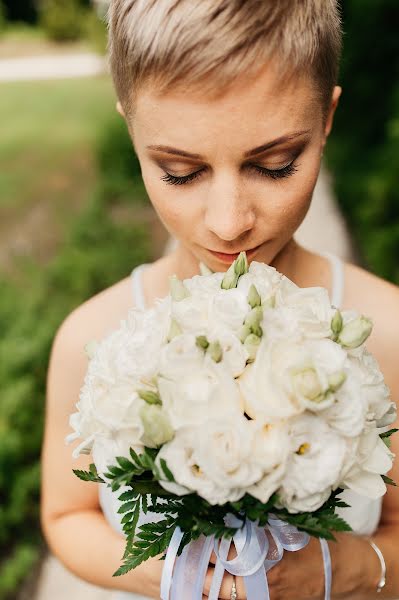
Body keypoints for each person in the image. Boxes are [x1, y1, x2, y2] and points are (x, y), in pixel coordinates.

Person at [40, 1, 399, 598]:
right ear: (132, 128)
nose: (230, 224)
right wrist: (180, 574)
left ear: (327, 117)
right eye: (180, 172)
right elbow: (66, 516)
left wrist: (346, 571)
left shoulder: (389, 333)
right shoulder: (89, 339)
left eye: (275, 165)